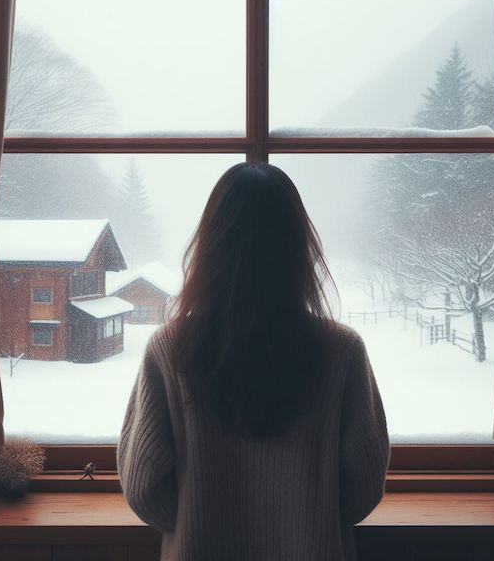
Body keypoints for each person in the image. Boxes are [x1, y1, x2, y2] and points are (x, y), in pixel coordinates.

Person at [117, 162, 390, 561]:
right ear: (300, 249)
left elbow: (142, 486)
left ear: (209, 248)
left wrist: (201, 517)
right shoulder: (343, 351)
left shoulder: (169, 349)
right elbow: (363, 485)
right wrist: (307, 519)